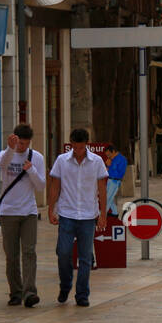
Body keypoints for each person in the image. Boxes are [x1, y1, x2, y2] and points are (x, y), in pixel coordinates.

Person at [48, 129, 108, 307]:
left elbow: (102, 189)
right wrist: (51, 209)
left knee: (85, 258)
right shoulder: (62, 161)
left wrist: (103, 214)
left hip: (89, 215)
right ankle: (65, 285)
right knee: (63, 252)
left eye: (82, 147)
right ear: (71, 144)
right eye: (75, 147)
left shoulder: (96, 162)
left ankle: (82, 294)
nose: (79, 151)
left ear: (87, 144)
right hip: (67, 213)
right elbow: (54, 187)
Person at [0, 124, 46, 308]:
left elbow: (41, 186)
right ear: (14, 139)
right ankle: (15, 292)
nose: (22, 147)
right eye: (19, 143)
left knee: (29, 252)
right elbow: (2, 164)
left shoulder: (37, 157)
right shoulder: (4, 154)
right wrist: (10, 148)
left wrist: (31, 170)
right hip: (8, 212)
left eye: (25, 143)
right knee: (11, 255)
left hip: (29, 212)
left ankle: (30, 292)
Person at [103, 143, 128, 216]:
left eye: (108, 154)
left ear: (113, 151)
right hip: (110, 180)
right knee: (110, 197)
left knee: (108, 198)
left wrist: (110, 166)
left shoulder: (121, 159)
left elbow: (120, 172)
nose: (107, 156)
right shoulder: (111, 159)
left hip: (115, 181)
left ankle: (103, 214)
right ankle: (115, 212)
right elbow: (108, 170)